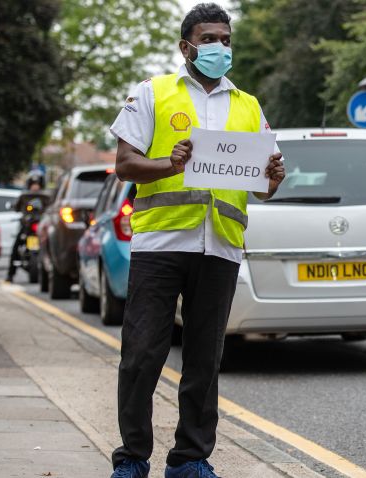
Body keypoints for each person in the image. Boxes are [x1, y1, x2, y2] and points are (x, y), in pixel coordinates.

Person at [107, 4, 285, 478]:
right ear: (187, 47)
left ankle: (190, 460)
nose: (220, 48)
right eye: (210, 39)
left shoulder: (248, 105)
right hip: (161, 246)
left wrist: (274, 176)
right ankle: (132, 458)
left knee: (204, 361)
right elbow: (125, 164)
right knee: (142, 354)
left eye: (226, 40)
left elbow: (263, 186)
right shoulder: (153, 93)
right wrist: (169, 163)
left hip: (220, 248)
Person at [5, 172, 44, 282]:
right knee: (16, 247)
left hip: (41, 227)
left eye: (37, 184)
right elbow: (17, 207)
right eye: (33, 184)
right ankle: (10, 274)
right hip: (27, 227)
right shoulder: (24, 196)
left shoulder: (46, 196)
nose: (35, 186)